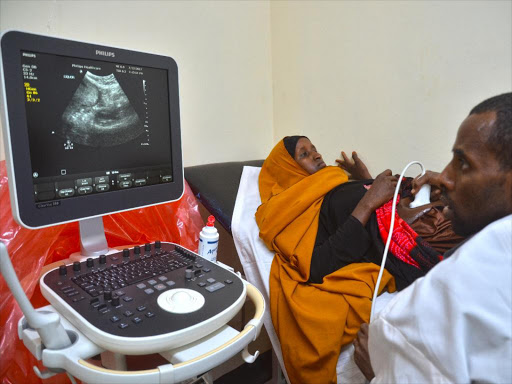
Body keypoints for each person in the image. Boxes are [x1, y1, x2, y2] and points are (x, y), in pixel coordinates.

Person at [255, 135, 462, 383]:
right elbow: (317, 265)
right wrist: (368, 201)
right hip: (412, 236)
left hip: (422, 203)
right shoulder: (295, 210)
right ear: (288, 171)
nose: (317, 155)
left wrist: (365, 180)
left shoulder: (333, 182)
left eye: (315, 149)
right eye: (304, 155)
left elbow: (369, 196)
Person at [354, 92, 512, 382]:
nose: (445, 178)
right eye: (304, 153)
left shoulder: (473, 272)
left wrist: (379, 372)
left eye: (463, 163)